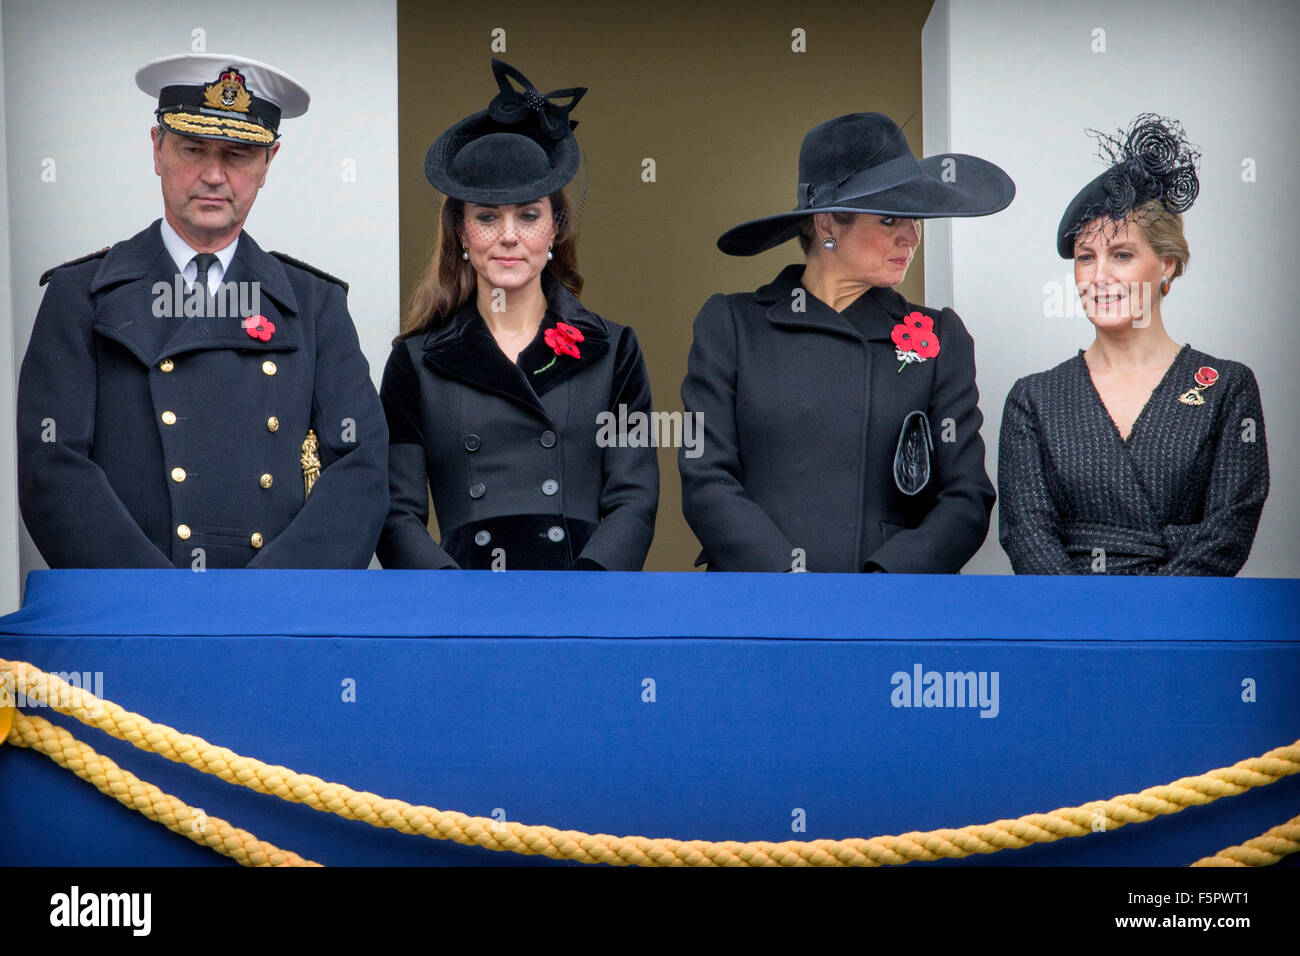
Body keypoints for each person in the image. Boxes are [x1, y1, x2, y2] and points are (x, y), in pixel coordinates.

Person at [16, 53, 388, 569]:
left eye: (237, 154)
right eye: (193, 149)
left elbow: (360, 469)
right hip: (133, 615)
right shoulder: (80, 296)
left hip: (270, 621)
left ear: (268, 163)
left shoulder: (314, 305)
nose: (213, 175)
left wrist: (264, 602)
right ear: (157, 150)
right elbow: (52, 467)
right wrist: (159, 602)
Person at [679, 112, 1014, 572]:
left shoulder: (940, 338)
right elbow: (706, 480)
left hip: (887, 613)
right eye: (891, 217)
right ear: (828, 225)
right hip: (760, 604)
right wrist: (788, 581)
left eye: (915, 219)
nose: (911, 237)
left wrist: (882, 584)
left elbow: (966, 497)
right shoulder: (733, 326)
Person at [376, 59, 657, 570]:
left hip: (579, 602)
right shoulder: (414, 363)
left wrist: (586, 589)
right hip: (463, 607)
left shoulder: (614, 350)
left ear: (555, 231)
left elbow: (634, 501)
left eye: (528, 216)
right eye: (487, 217)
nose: (509, 236)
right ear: (461, 233)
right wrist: (449, 594)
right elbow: (395, 514)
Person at [998, 115, 1269, 575]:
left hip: (1181, 628)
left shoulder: (1226, 387)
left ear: (1167, 264)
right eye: (1086, 258)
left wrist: (1150, 619)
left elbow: (1228, 531)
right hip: (1070, 630)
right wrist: (1086, 625)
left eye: (1121, 255)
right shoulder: (1034, 398)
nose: (1099, 276)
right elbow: (1027, 532)